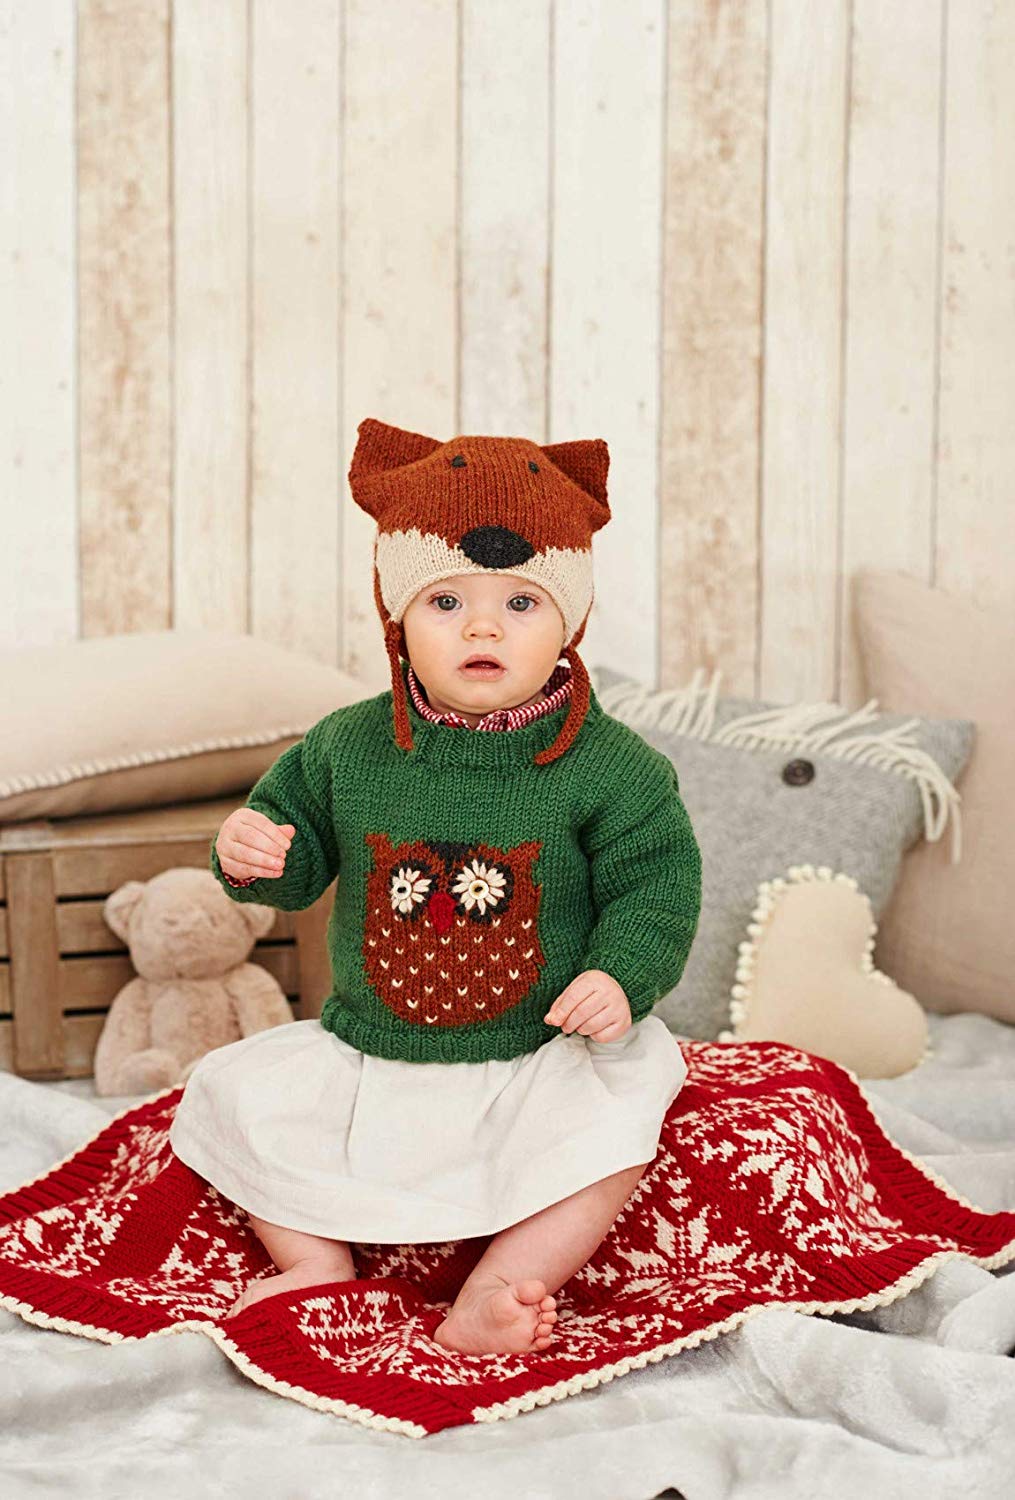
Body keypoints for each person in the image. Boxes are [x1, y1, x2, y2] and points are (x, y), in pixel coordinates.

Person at [169, 417, 702, 1356]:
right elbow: (297, 861)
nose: (482, 627)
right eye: (445, 601)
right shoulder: (346, 745)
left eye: (522, 603)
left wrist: (620, 975)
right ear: (396, 617)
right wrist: (255, 851)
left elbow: (655, 886)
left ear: (571, 621)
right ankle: (313, 1261)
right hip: (371, 1049)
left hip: (538, 1053)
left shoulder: (611, 767)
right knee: (232, 1095)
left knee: (620, 1118)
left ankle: (499, 1287)